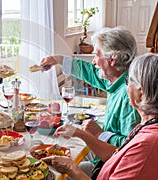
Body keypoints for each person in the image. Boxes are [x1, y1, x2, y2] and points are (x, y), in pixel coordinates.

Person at [40, 26, 141, 175]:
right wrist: (57, 59)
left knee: (54, 171)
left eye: (96, 55)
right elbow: (89, 71)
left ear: (112, 59)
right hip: (105, 154)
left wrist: (100, 134)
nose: (93, 61)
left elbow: (129, 149)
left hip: (111, 166)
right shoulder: (118, 78)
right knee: (61, 148)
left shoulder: (128, 97)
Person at [42, 53, 158, 179]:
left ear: (141, 94)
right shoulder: (148, 125)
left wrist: (71, 168)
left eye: (128, 81)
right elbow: (117, 154)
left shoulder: (147, 144)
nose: (126, 86)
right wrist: (80, 133)